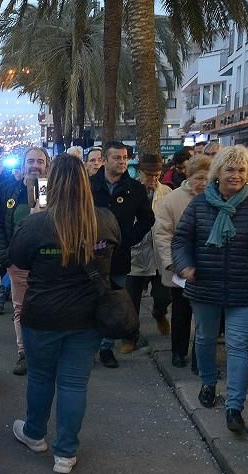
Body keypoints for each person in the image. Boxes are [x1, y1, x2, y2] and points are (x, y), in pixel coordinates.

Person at [8, 154, 120, 473]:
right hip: (86, 317)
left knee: (41, 377)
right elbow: (115, 249)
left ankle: (35, 434)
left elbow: (19, 259)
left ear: (52, 184)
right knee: (74, 384)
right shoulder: (104, 220)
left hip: (42, 313)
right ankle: (65, 453)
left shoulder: (36, 223)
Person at [172, 146, 248, 434]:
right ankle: (208, 383)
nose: (236, 175)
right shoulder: (198, 204)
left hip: (243, 289)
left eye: (242, 170)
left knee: (237, 346)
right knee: (206, 338)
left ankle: (234, 407)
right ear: (218, 172)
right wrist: (185, 265)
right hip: (204, 285)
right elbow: (181, 240)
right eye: (230, 169)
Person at [90, 141, 154, 368]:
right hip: (89, 257)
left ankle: (106, 348)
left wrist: (129, 239)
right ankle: (88, 348)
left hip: (118, 257)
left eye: (125, 158)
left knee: (112, 302)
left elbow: (148, 218)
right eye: (117, 157)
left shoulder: (134, 189)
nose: (122, 162)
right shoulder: (88, 186)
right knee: (89, 301)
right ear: (104, 160)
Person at [0, 147, 50, 375]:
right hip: (17, 264)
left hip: (45, 265)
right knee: (20, 310)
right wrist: (4, 255)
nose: (35, 165)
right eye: (31, 161)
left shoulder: (49, 191)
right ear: (24, 164)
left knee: (44, 309)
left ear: (47, 165)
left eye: (40, 161)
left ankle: (42, 353)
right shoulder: (9, 189)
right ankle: (23, 353)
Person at [153, 154, 212, 367]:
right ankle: (178, 351)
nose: (203, 183)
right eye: (198, 178)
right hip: (181, 267)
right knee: (181, 311)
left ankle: (200, 357)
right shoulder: (172, 200)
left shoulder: (215, 197)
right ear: (189, 176)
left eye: (207, 178)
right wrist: (172, 262)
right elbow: (162, 235)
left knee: (206, 317)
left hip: (209, 267)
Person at [122, 154, 172, 353]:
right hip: (137, 253)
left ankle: (159, 314)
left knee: (163, 296)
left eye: (157, 175)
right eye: (149, 175)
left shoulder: (167, 192)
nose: (152, 179)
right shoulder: (129, 190)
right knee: (130, 302)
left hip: (160, 253)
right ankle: (130, 337)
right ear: (140, 173)